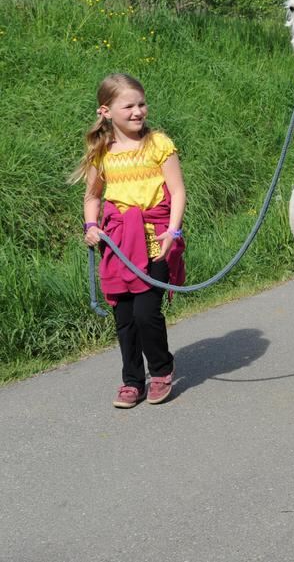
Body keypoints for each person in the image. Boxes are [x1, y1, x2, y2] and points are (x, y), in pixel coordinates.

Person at [70, 74, 187, 409]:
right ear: (106, 111)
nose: (138, 112)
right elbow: (92, 197)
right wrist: (90, 225)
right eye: (129, 106)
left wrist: (174, 231)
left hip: (156, 240)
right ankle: (132, 380)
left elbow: (177, 191)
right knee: (124, 317)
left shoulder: (159, 145)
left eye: (141, 104)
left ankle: (162, 369)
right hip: (118, 244)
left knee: (146, 312)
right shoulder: (101, 152)